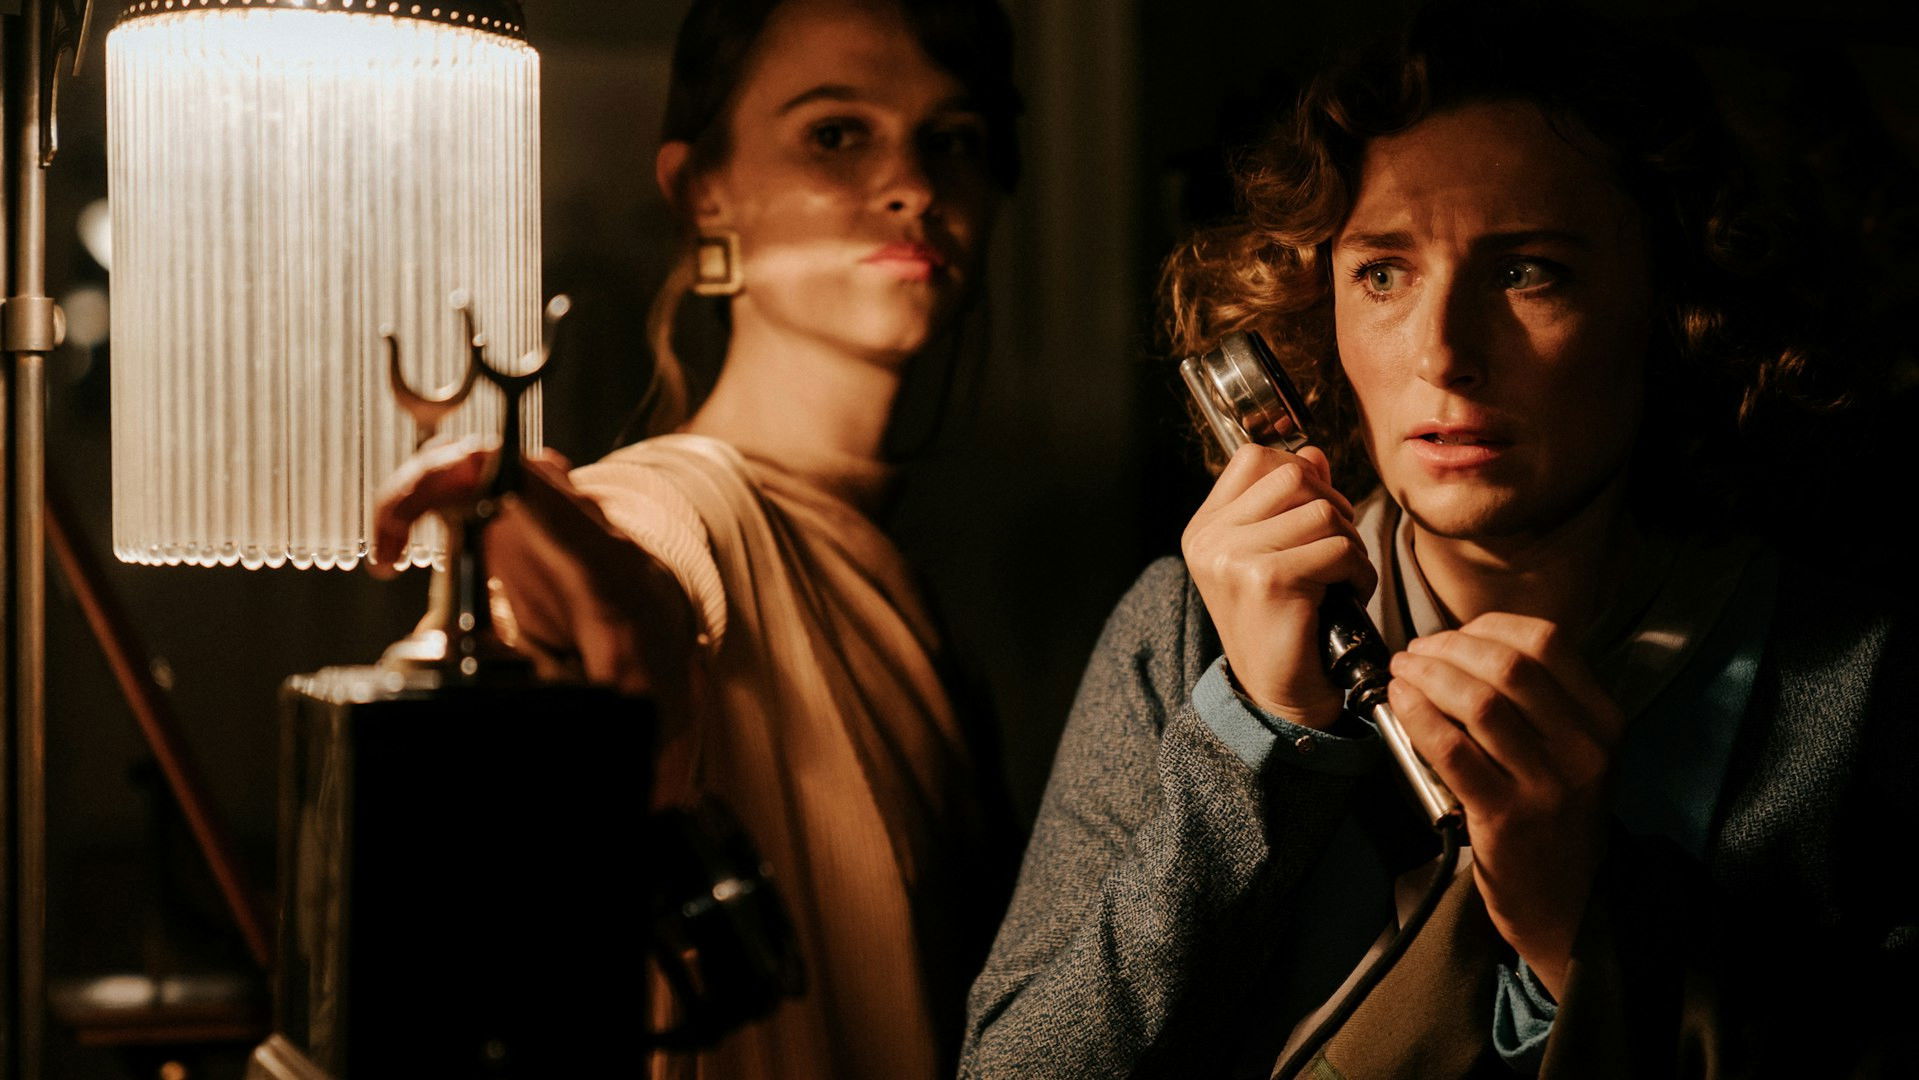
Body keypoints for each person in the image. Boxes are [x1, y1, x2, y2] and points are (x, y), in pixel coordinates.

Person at [962, 4, 1917, 1077]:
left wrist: (1585, 923)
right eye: (1383, 273)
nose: (1441, 353)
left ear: (1668, 303)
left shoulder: (1851, 676)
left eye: (1526, 271)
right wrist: (1253, 739)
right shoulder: (1182, 627)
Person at [372, 1, 1020, 1077]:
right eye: (835, 133)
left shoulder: (913, 578)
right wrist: (580, 602)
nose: (911, 184)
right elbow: (633, 588)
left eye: (950, 139)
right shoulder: (673, 507)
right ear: (700, 189)